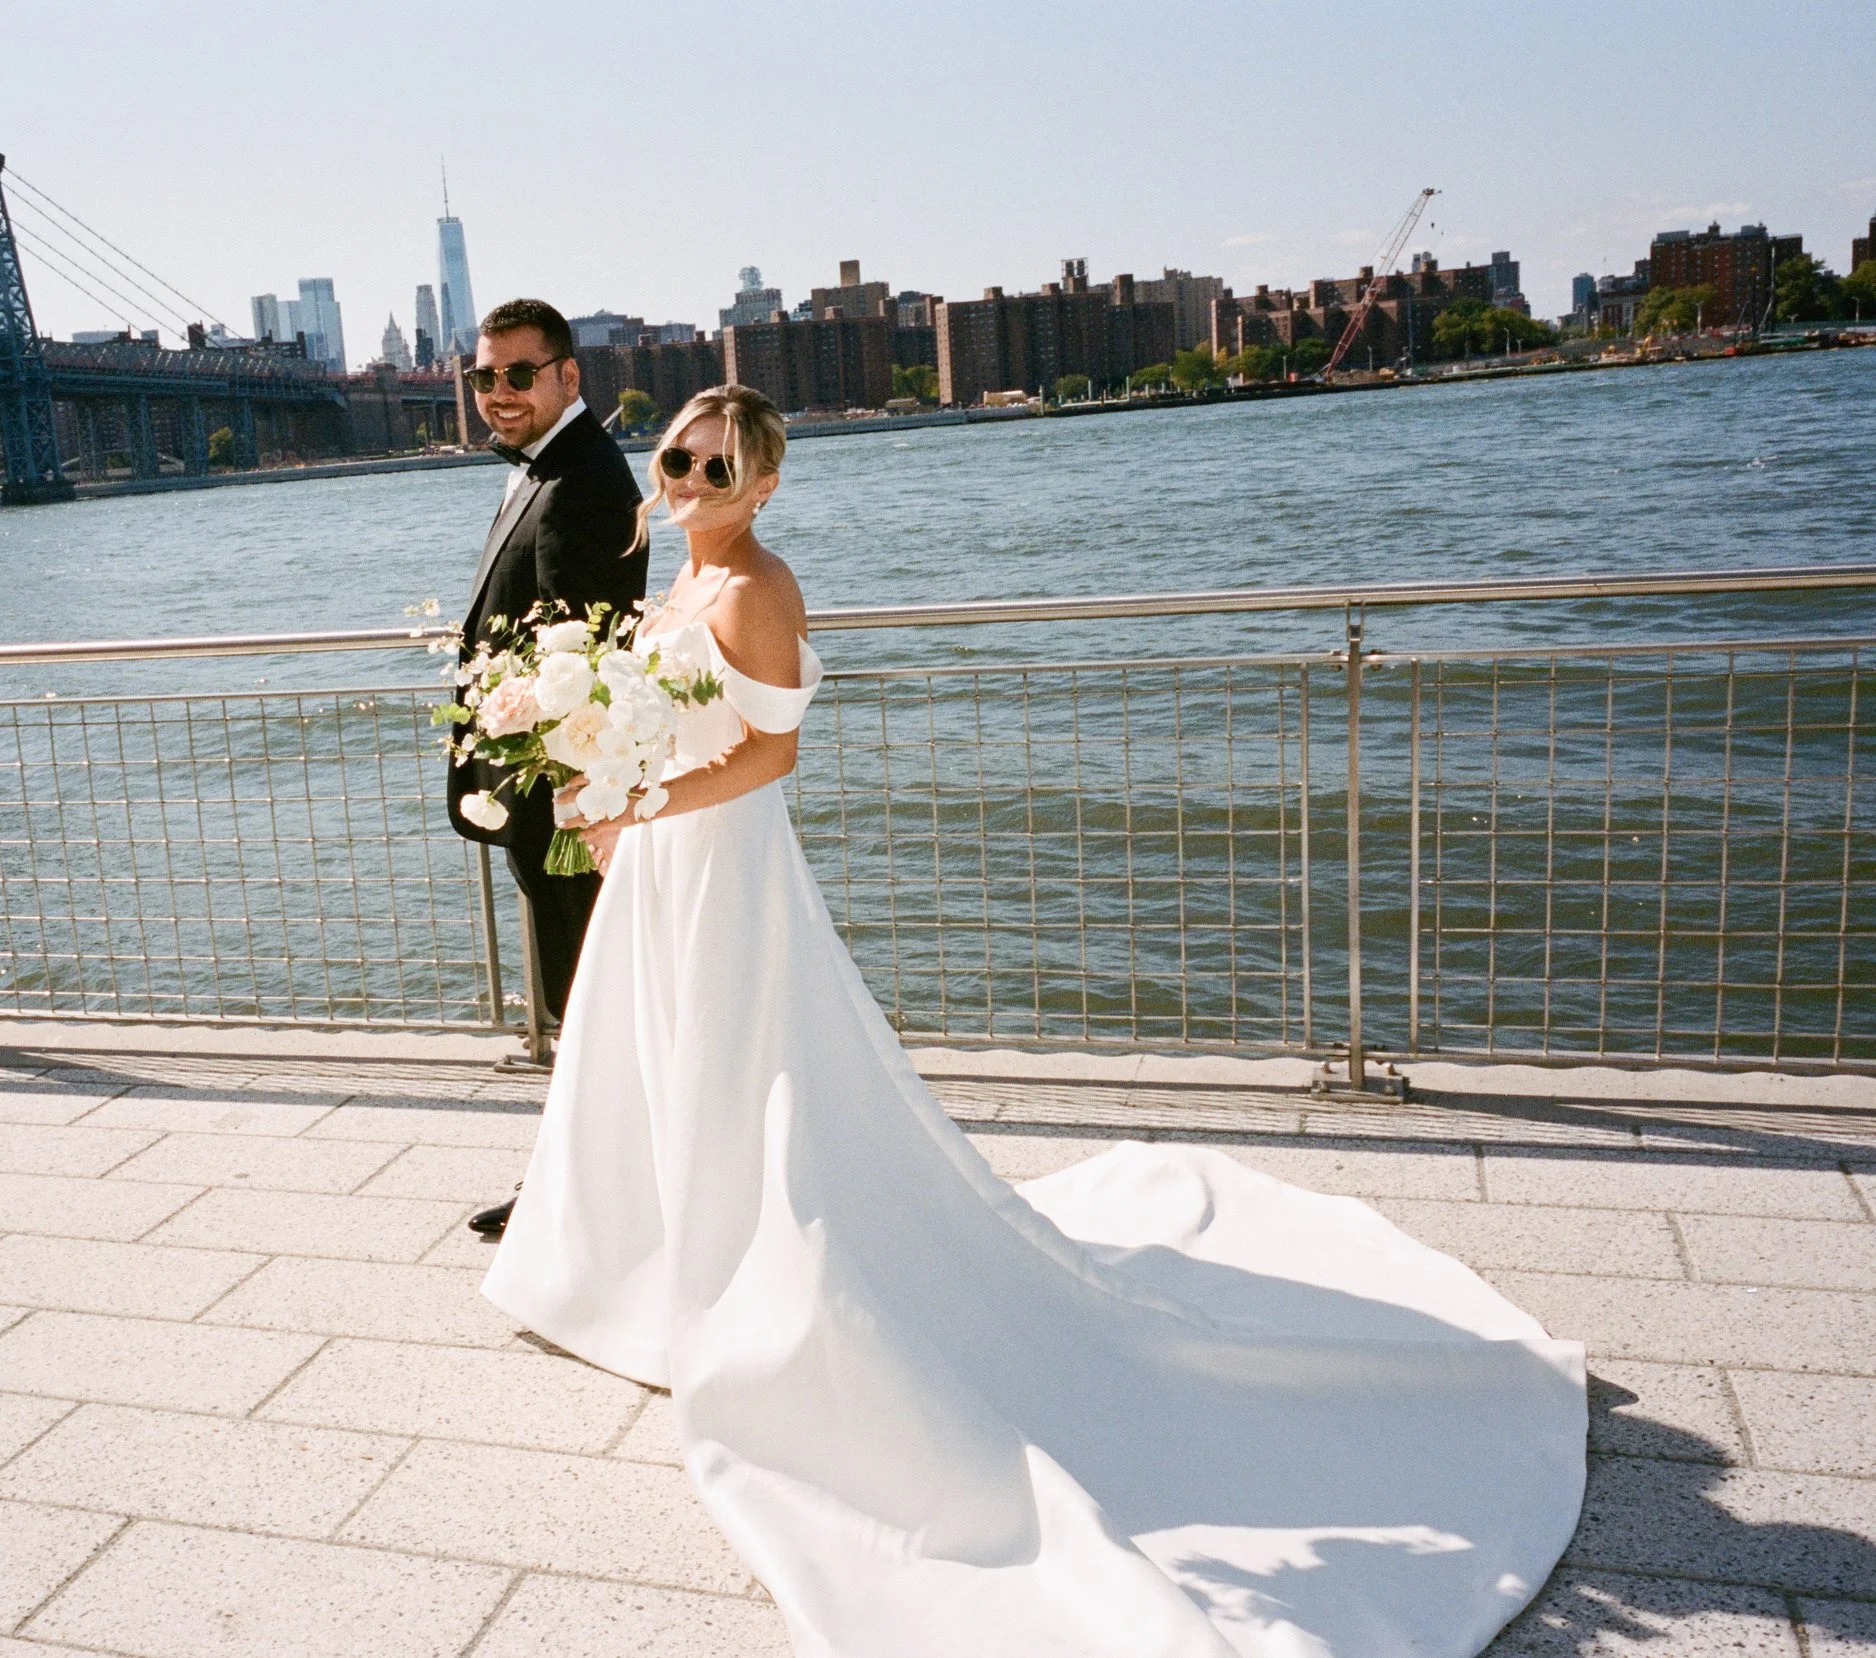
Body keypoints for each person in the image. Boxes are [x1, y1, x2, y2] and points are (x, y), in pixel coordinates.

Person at [482, 384, 1587, 1657]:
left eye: (716, 466)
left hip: (722, 867)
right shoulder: (673, 588)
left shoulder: (753, 590)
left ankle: (759, 1292)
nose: (687, 479)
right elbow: (662, 720)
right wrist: (605, 787)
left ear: (766, 482)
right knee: (659, 1071)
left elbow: (774, 755)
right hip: (658, 866)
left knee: (747, 1073)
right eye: (675, 456)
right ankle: (650, 1269)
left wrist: (645, 795)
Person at [446, 298, 646, 1237]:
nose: (497, 393)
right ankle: (582, 1180)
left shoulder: (585, 479)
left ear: (569, 376)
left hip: (567, 798)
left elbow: (591, 660)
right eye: (485, 376)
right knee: (580, 994)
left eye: (518, 374)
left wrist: (574, 795)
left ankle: (583, 1196)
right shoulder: (544, 470)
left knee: (586, 992)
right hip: (538, 791)